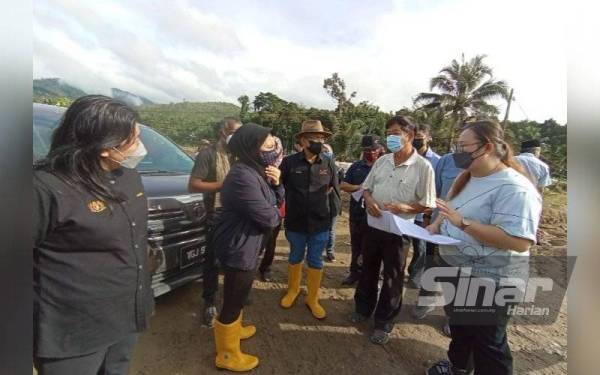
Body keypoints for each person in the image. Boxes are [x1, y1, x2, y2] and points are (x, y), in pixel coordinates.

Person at [33, 95, 154, 375]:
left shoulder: (128, 176)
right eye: (133, 139)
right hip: (73, 329)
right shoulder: (46, 188)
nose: (140, 146)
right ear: (105, 147)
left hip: (126, 313)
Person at [425, 120, 542, 375]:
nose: (458, 152)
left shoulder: (515, 189)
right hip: (456, 268)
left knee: (488, 343)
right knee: (460, 327)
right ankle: (458, 367)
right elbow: (450, 207)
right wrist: (436, 224)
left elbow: (519, 240)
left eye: (464, 146)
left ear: (486, 147)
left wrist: (463, 223)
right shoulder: (467, 175)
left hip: (491, 279)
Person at [351, 115, 436, 345]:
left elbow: (428, 203)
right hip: (373, 226)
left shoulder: (423, 167)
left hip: (399, 232)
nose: (391, 137)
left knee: (392, 277)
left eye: (395, 133)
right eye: (388, 133)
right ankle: (362, 309)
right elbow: (366, 188)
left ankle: (384, 322)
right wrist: (368, 201)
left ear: (409, 135)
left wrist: (405, 207)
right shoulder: (382, 161)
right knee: (367, 268)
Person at [210, 123, 283, 372]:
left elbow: (275, 202)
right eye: (267, 143)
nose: (273, 147)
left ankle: (235, 330)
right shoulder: (242, 176)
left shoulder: (258, 171)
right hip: (239, 246)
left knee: (239, 294)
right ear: (251, 147)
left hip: (249, 243)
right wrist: (275, 210)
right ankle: (227, 354)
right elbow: (270, 217)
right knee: (233, 298)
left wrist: (276, 185)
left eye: (273, 142)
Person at [279, 119, 338, 320]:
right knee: (295, 256)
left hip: (320, 222)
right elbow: (281, 186)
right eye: (313, 138)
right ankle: (293, 290)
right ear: (303, 141)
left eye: (321, 138)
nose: (318, 142)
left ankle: (312, 298)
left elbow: (332, 187)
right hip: (295, 222)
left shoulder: (329, 162)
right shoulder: (289, 162)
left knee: (315, 260)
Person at [188, 117, 242, 327]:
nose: (237, 137)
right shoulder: (208, 154)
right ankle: (209, 301)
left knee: (235, 261)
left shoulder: (241, 155)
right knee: (211, 261)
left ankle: (233, 299)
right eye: (233, 133)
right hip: (216, 215)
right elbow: (194, 185)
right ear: (223, 133)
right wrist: (224, 185)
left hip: (238, 215)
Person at [339, 135, 383, 285]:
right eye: (366, 150)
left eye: (373, 150)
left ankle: (373, 275)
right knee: (356, 244)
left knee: (376, 247)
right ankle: (354, 273)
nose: (370, 153)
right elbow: (343, 185)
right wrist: (358, 187)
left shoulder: (385, 167)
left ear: (380, 149)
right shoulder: (356, 166)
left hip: (377, 215)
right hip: (357, 213)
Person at [407, 123, 441, 289]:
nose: (417, 141)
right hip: (404, 210)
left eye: (420, 138)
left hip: (424, 213)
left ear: (429, 138)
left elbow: (437, 189)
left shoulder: (438, 162)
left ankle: (414, 275)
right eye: (415, 137)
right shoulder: (405, 157)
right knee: (399, 244)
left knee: (420, 248)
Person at [257, 135, 285, 282]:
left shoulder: (284, 165)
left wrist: (277, 181)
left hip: (276, 210)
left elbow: (283, 192)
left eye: (273, 148)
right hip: (256, 209)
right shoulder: (255, 164)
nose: (270, 153)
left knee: (271, 242)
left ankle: (265, 268)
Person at [322, 143, 343, 262]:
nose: (325, 153)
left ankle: (330, 251)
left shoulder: (338, 169)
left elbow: (340, 186)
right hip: (319, 203)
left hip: (333, 202)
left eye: (327, 151)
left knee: (331, 229)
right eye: (323, 151)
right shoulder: (316, 168)